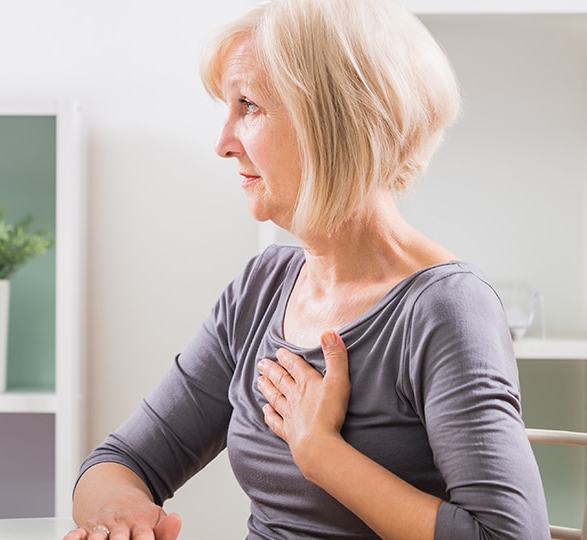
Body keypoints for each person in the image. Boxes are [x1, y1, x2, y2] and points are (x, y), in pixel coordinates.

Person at [64, 0, 549, 539]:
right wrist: (119, 512)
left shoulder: (446, 308)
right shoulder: (262, 288)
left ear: (331, 121)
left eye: (248, 105)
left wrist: (322, 454)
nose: (223, 142)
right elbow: (123, 459)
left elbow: (508, 535)